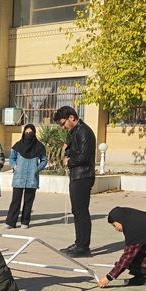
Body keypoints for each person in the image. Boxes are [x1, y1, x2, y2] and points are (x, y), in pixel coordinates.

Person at [53, 106, 96, 257]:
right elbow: (73, 151)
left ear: (71, 117)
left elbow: (83, 157)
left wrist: (69, 161)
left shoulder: (84, 131)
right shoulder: (75, 132)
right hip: (77, 175)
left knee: (81, 211)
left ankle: (83, 247)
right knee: (77, 211)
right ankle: (79, 243)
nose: (62, 126)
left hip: (83, 176)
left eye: (63, 123)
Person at [3, 124, 48, 229]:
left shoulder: (39, 147)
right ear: (23, 133)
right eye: (26, 133)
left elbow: (44, 160)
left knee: (28, 201)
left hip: (32, 178)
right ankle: (10, 222)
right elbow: (12, 158)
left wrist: (36, 169)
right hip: (19, 177)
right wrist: (15, 167)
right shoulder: (18, 145)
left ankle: (25, 222)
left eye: (30, 133)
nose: (28, 135)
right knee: (15, 201)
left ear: (34, 133)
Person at [98, 207, 146, 287]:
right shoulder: (139, 220)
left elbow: (127, 257)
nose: (116, 229)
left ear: (119, 220)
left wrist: (109, 277)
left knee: (127, 262)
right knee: (130, 260)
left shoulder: (135, 230)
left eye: (114, 225)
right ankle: (143, 278)